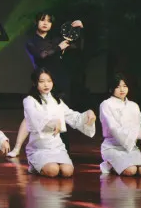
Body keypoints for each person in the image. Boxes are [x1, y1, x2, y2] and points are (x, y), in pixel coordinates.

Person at [7, 12, 84, 157]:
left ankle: (64, 150)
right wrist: (58, 48)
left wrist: (78, 27)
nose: (45, 23)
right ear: (36, 22)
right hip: (41, 81)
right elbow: (41, 55)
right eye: (42, 20)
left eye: (49, 21)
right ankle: (17, 148)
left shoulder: (55, 39)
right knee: (30, 115)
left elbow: (74, 43)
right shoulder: (31, 42)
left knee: (60, 114)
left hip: (58, 80)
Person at [21, 67, 96, 177]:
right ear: (35, 83)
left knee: (67, 171)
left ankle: (47, 164)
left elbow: (72, 116)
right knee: (53, 170)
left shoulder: (57, 101)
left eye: (49, 81)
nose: (46, 85)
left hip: (56, 147)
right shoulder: (29, 100)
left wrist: (87, 114)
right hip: (39, 147)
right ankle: (34, 166)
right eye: (42, 81)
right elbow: (36, 117)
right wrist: (53, 122)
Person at [99, 73, 141, 176]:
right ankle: (110, 165)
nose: (122, 89)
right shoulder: (106, 104)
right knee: (131, 170)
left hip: (130, 147)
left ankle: (120, 165)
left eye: (124, 86)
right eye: (118, 87)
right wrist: (140, 134)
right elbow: (114, 129)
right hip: (112, 147)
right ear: (111, 88)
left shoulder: (133, 106)